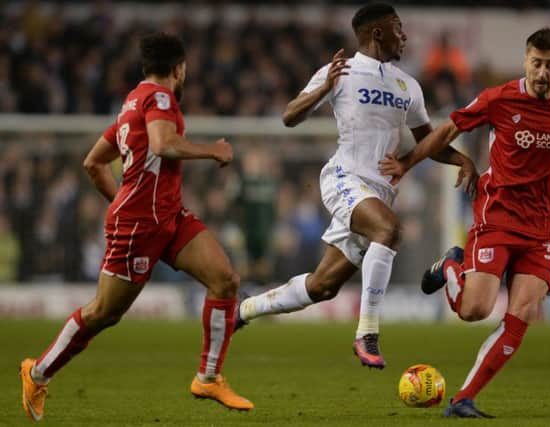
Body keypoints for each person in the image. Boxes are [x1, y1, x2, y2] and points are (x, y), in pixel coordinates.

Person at [19, 32, 254, 421]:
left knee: (225, 279)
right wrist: (211, 150)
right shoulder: (160, 99)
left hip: (168, 217)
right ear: (179, 68)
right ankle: (37, 372)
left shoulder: (131, 102)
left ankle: (209, 377)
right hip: (140, 225)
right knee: (103, 314)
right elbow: (163, 146)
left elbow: (93, 163)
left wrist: (122, 201)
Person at [236, 3, 477, 369]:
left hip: (378, 192)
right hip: (343, 179)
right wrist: (324, 88)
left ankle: (245, 307)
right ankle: (367, 333)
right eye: (398, 27)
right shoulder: (342, 71)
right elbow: (289, 116)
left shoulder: (407, 85)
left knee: (322, 286)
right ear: (377, 32)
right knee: (389, 230)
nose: (405, 35)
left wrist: (462, 159)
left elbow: (428, 140)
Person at [379, 28, 550, 417]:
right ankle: (453, 264)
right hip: (500, 216)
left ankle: (463, 398)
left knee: (522, 314)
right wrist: (406, 163)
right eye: (536, 63)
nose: (542, 72)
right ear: (526, 61)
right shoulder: (499, 98)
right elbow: (447, 129)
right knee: (474, 311)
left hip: (544, 227)